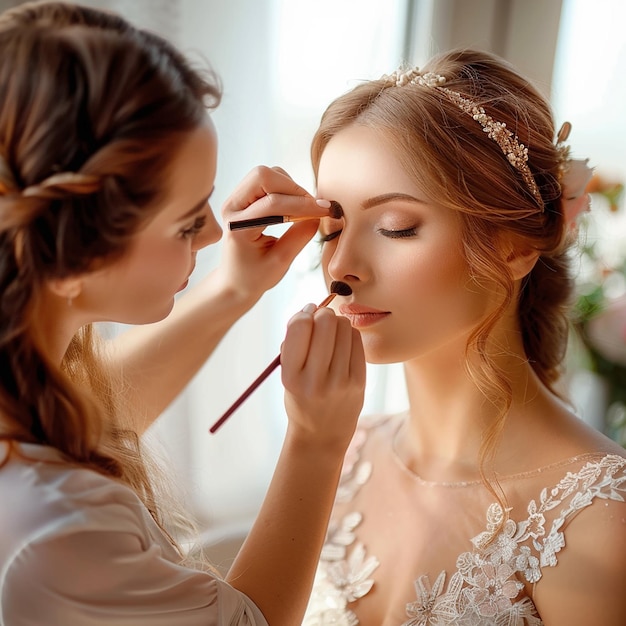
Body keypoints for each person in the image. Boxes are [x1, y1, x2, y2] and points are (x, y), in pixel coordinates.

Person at [0, 2, 366, 625]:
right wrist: (317, 440)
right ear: (73, 260)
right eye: (186, 220)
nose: (212, 237)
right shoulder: (61, 526)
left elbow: (94, 414)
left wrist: (233, 289)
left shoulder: (27, 383)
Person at [303, 49, 626, 625]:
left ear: (517, 246)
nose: (339, 267)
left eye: (395, 227)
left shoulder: (597, 518)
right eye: (331, 227)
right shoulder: (342, 454)